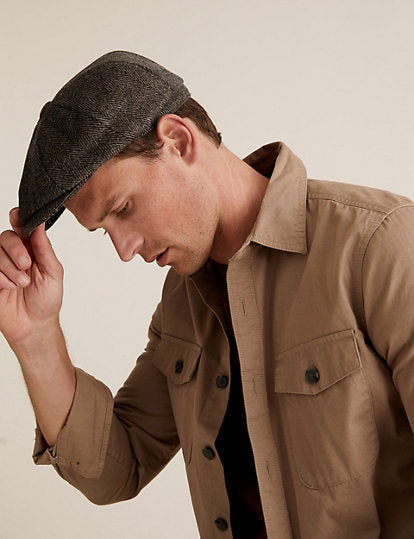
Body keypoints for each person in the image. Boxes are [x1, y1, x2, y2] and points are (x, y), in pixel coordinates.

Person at [1, 50, 414, 539]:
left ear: (179, 140)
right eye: (103, 231)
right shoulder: (183, 303)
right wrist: (37, 337)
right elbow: (117, 468)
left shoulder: (378, 244)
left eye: (123, 208)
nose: (124, 250)